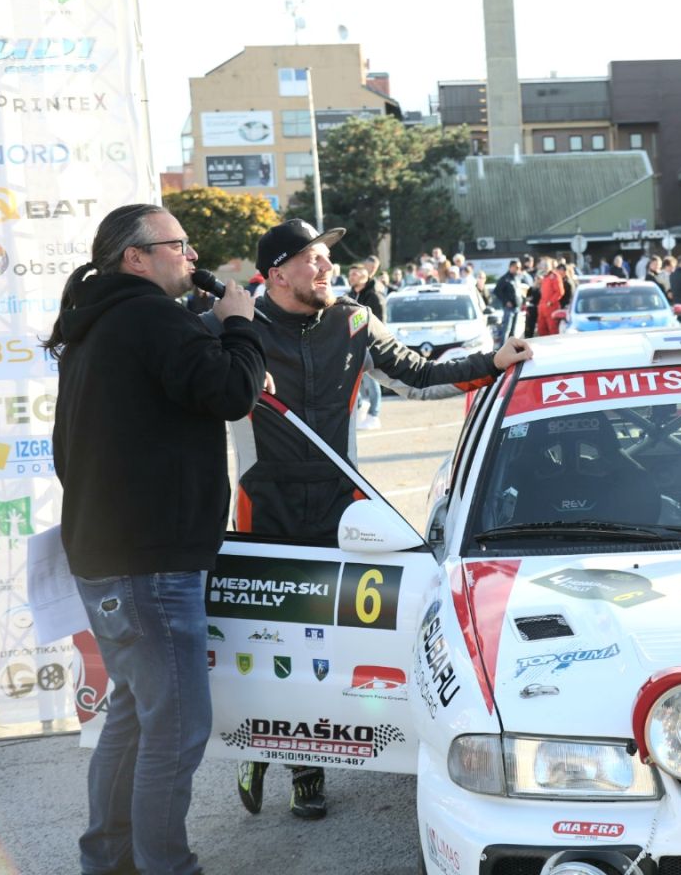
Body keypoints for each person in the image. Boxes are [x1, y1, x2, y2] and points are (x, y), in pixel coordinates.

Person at [213, 219, 531, 822]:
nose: (328, 267)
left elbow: (416, 373)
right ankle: (270, 750)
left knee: (332, 643)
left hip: (341, 506)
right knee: (265, 643)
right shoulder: (237, 326)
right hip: (264, 506)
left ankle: (310, 751)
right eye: (313, 259)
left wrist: (492, 361)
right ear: (276, 273)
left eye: (326, 258)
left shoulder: (353, 319)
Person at [48, 204, 265, 875]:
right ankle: (166, 866)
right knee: (172, 732)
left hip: (111, 559)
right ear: (136, 258)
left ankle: (108, 859)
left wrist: (216, 336)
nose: (192, 257)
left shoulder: (103, 322)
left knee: (134, 718)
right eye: (178, 245)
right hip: (150, 565)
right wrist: (239, 328)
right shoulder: (147, 316)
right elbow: (231, 391)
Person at [347, 264, 386, 430]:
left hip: (370, 345)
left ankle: (374, 415)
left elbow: (379, 323)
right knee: (356, 380)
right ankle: (361, 407)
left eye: (355, 273)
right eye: (350, 274)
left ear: (365, 275)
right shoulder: (352, 295)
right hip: (354, 345)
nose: (352, 276)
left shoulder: (374, 296)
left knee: (372, 381)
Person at [493, 259, 523, 339]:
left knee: (513, 332)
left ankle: (511, 349)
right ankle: (502, 349)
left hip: (517, 308)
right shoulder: (504, 278)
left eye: (519, 267)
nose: (518, 269)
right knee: (506, 330)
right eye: (517, 267)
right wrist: (506, 301)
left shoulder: (517, 278)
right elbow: (496, 291)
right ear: (511, 267)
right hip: (508, 309)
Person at [537, 257, 564, 335]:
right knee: (541, 330)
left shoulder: (554, 276)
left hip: (551, 307)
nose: (544, 266)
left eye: (546, 264)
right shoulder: (544, 277)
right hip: (542, 307)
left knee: (553, 330)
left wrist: (550, 302)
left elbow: (560, 292)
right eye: (542, 264)